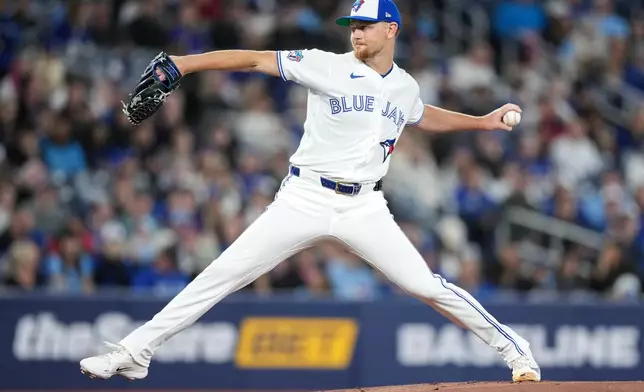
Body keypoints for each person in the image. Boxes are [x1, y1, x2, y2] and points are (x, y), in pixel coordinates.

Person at [80, 0, 541, 383]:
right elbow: (255, 58)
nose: (356, 33)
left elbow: (421, 115)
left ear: (391, 30)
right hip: (304, 198)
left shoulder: (405, 86)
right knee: (221, 274)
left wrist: (480, 122)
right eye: (352, 26)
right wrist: (185, 63)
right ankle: (134, 351)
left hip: (365, 205)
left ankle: (516, 353)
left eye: (365, 26)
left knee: (425, 285)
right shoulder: (325, 65)